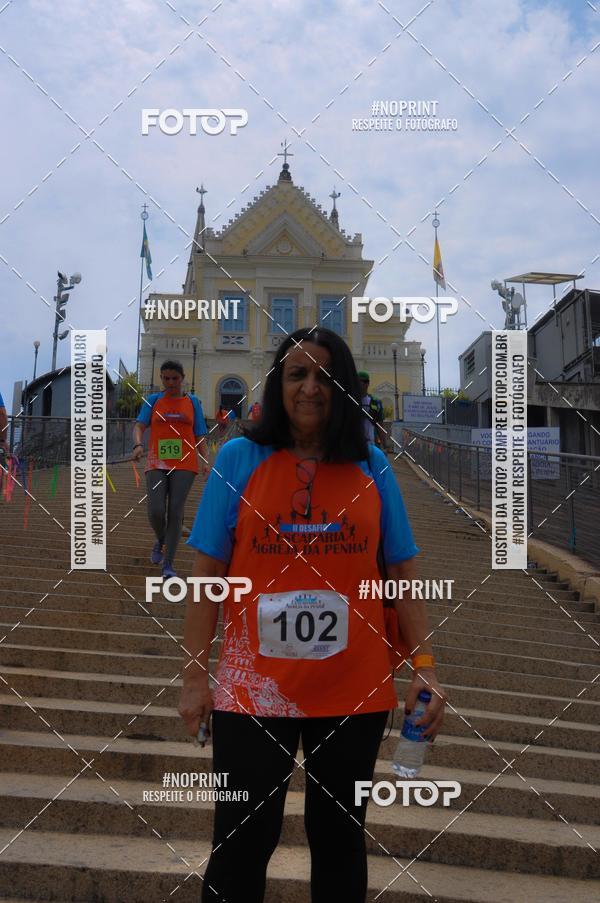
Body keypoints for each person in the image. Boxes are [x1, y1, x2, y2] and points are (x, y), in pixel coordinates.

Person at [178, 327, 447, 903]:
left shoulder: (372, 465)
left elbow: (401, 573)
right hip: (254, 691)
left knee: (340, 839)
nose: (310, 388)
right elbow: (206, 578)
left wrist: (423, 666)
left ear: (344, 389)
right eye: (296, 374)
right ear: (278, 385)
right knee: (242, 842)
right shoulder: (238, 458)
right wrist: (195, 676)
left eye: (324, 376)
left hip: (354, 689)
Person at [132, 360, 207, 579]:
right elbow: (139, 425)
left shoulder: (192, 403)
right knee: (155, 510)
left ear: (182, 378)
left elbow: (200, 434)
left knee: (175, 511)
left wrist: (205, 460)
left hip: (185, 463)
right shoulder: (154, 400)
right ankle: (162, 540)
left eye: (175, 378)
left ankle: (169, 564)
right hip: (157, 461)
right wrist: (138, 444)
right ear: (161, 379)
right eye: (166, 378)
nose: (170, 382)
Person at [358, 371, 384, 449]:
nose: (362, 384)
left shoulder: (376, 402)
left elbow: (380, 425)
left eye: (365, 381)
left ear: (368, 383)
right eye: (359, 381)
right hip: (354, 446)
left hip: (372, 445)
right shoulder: (350, 401)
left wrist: (384, 445)